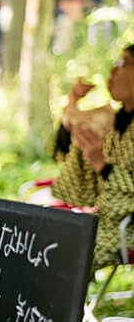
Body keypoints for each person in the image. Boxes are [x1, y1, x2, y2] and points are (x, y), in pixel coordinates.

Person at [52, 44, 134, 272]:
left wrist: (104, 166)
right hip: (103, 220)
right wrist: (72, 104)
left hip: (126, 228)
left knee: (60, 257)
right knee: (40, 238)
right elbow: (63, 153)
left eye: (124, 63)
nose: (113, 71)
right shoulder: (111, 121)